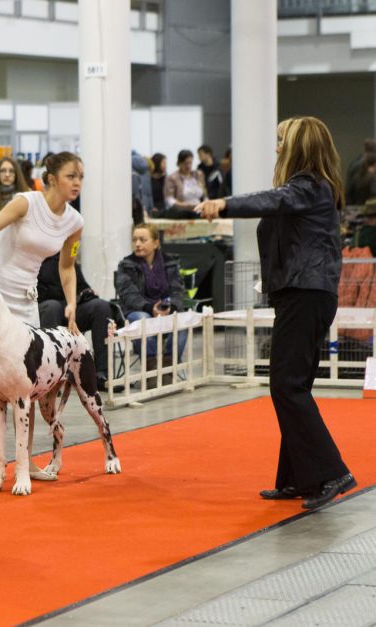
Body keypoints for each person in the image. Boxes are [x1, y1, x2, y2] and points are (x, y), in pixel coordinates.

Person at [196, 115, 356, 510]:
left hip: (306, 293)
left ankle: (331, 472)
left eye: (281, 140)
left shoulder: (308, 187)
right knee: (292, 384)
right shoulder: (310, 190)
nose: (277, 147)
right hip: (301, 294)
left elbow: (270, 201)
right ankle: (297, 478)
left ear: (298, 147)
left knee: (286, 385)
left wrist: (225, 204)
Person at [0, 151, 84, 485]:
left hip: (26, 298)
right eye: (71, 176)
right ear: (52, 178)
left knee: (31, 382)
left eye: (81, 176)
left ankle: (24, 462)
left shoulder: (74, 222)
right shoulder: (26, 203)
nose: (78, 182)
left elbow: (66, 267)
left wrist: (71, 305)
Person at [38, 258, 118, 386]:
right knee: (52, 307)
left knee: (101, 307)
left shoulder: (65, 256)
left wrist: (86, 295)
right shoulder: (35, 258)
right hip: (45, 308)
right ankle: (52, 374)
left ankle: (102, 373)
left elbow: (81, 286)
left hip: (70, 308)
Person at [114, 223, 187, 364]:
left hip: (166, 309)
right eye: (135, 240)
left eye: (143, 240)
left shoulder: (170, 263)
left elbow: (176, 289)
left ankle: (168, 366)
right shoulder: (126, 265)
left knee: (182, 321)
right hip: (138, 310)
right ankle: (151, 369)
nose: (137, 244)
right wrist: (149, 308)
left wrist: (169, 307)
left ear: (156, 243)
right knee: (144, 320)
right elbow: (129, 295)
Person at [163, 149, 206, 219]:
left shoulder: (198, 175)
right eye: (186, 163)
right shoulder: (172, 178)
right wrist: (186, 205)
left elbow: (204, 195)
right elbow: (169, 200)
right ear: (179, 163)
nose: (188, 166)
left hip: (199, 211)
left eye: (190, 163)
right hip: (182, 213)